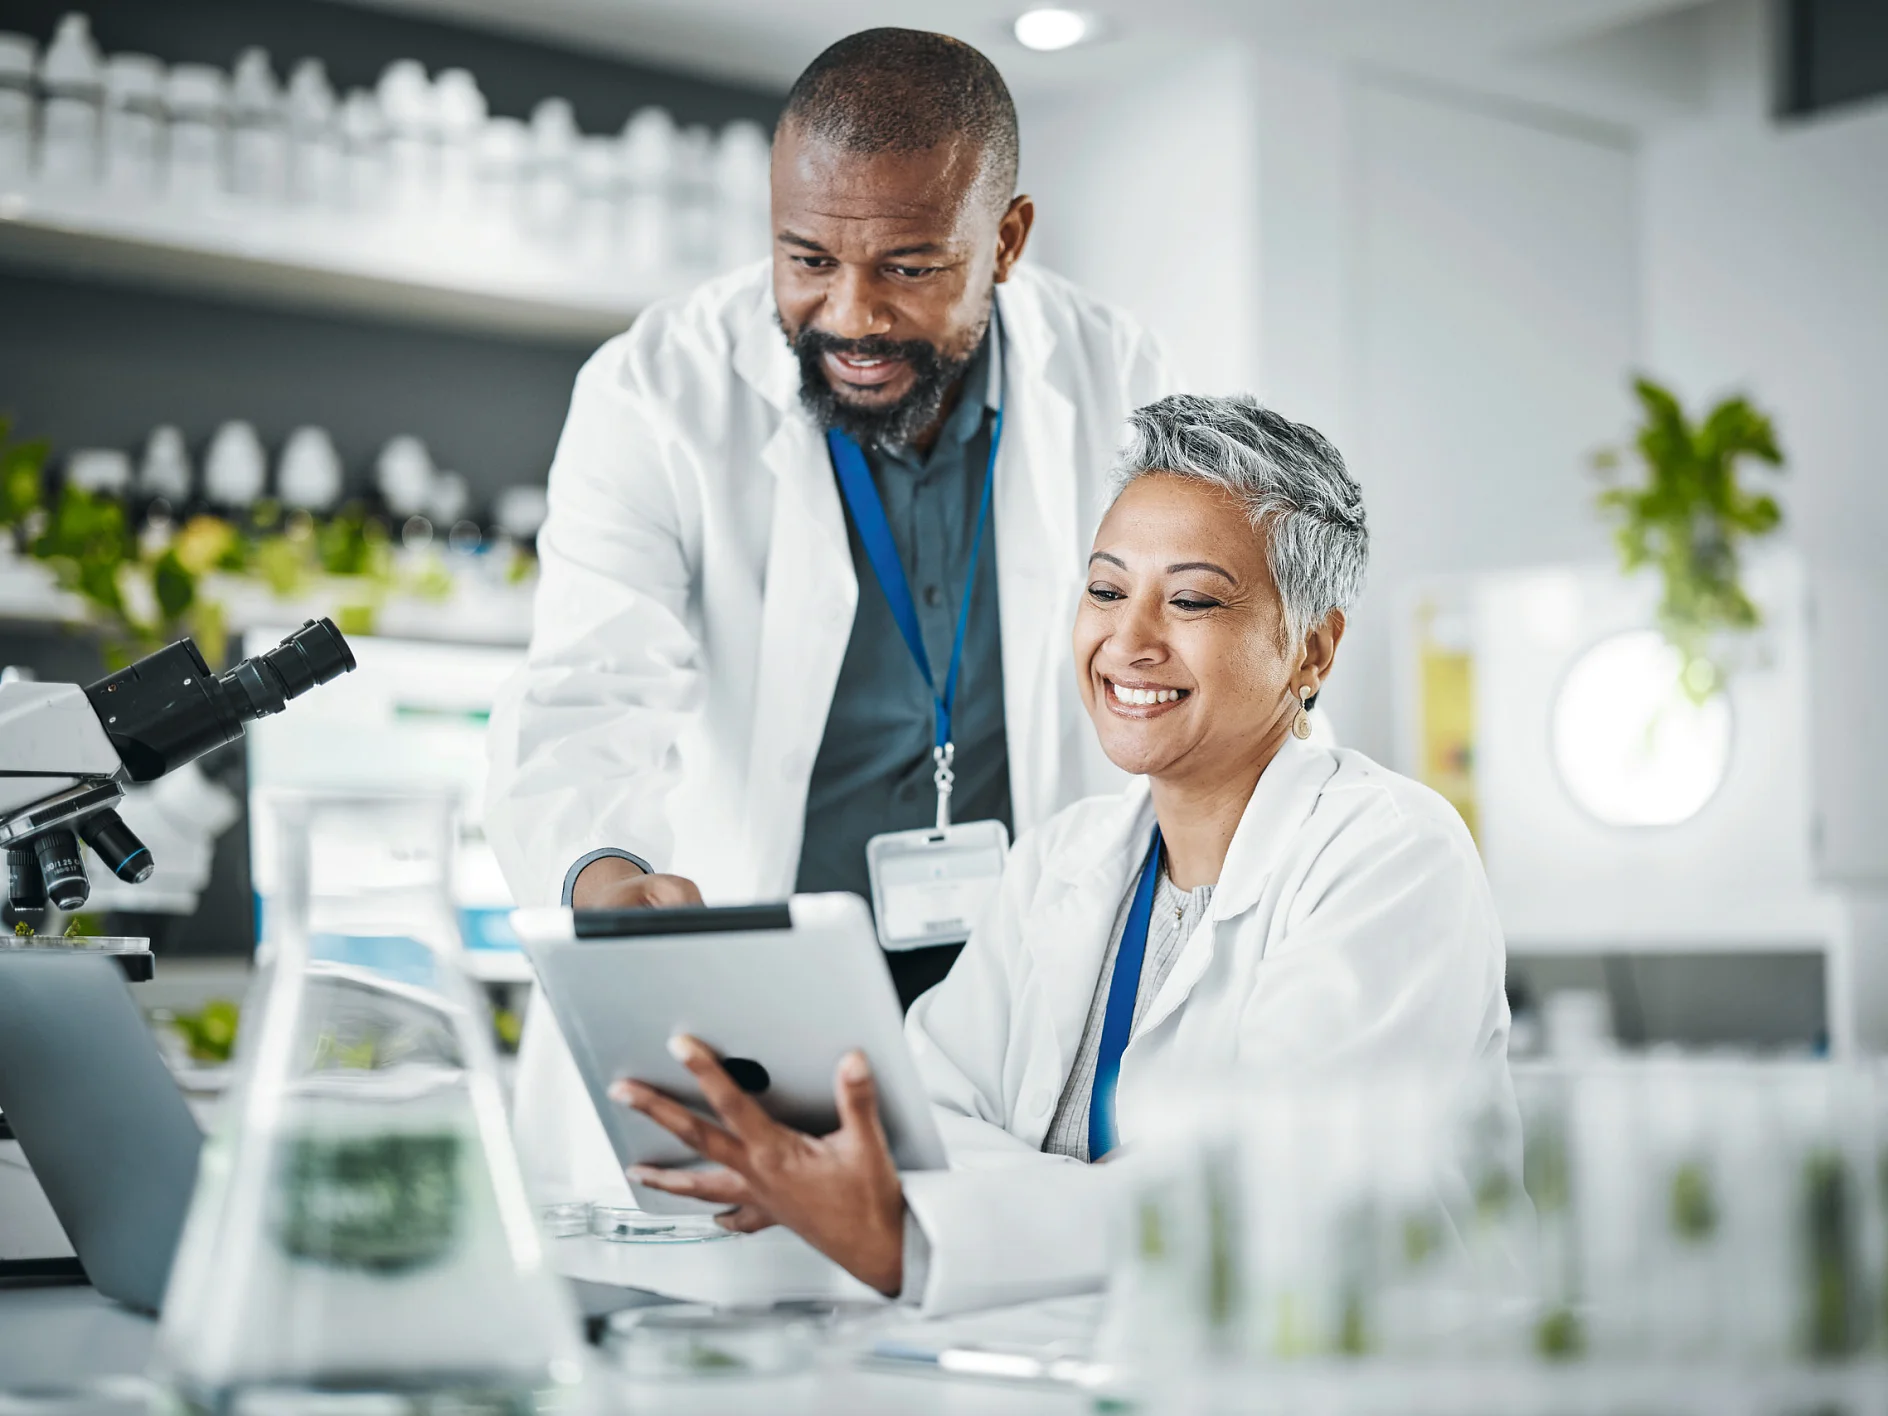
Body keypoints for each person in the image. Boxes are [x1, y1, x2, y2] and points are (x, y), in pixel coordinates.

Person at [616, 394, 1516, 1315]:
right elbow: (922, 1125)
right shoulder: (1063, 860)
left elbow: (1265, 1198)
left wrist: (944, 1221)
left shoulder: (1392, 855)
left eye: (1194, 600)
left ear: (1312, 651)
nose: (1128, 642)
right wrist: (1070, 1199)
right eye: (1106, 589)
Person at [485, 27, 1179, 1204]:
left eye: (908, 268)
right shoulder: (654, 389)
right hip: (755, 1020)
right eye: (804, 257)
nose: (847, 316)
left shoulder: (1117, 378)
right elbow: (588, 694)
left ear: (1005, 240)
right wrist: (606, 874)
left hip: (1014, 1032)